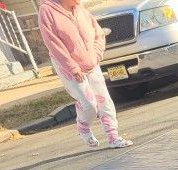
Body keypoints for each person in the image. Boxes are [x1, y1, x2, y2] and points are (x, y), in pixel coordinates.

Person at [37, 0, 133, 148]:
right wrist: (73, 68)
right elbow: (54, 44)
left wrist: (97, 53)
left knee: (104, 100)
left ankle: (113, 136)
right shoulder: (47, 11)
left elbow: (98, 33)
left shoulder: (80, 10)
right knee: (89, 105)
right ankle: (83, 126)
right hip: (69, 67)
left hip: (91, 63)